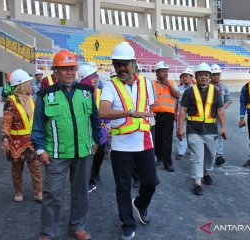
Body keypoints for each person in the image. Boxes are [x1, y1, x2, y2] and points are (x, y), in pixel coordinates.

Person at [32, 49, 101, 240]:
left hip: (83, 153)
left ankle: (77, 226)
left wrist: (97, 140)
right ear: (55, 71)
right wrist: (39, 149)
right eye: (65, 69)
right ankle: (48, 231)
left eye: (72, 68)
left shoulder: (87, 92)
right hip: (55, 154)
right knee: (52, 194)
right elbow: (37, 125)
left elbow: (95, 120)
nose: (70, 72)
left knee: (81, 193)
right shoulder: (45, 95)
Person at [99, 42, 158, 240]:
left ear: (134, 63)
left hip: (144, 142)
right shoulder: (110, 85)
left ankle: (141, 204)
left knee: (151, 182)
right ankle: (127, 223)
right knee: (123, 187)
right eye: (118, 65)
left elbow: (152, 106)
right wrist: (130, 112)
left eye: (125, 64)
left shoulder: (147, 83)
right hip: (121, 146)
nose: (122, 69)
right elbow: (103, 111)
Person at [177, 62, 227, 195]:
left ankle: (207, 172)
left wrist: (223, 127)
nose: (203, 77)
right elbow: (182, 111)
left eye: (206, 75)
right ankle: (197, 182)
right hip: (194, 130)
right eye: (201, 75)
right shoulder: (189, 92)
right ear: (196, 77)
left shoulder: (215, 92)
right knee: (196, 156)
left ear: (210, 77)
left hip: (211, 129)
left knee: (211, 155)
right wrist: (180, 128)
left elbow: (221, 110)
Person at [1, 69, 42, 202]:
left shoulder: (31, 100)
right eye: (29, 84)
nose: (32, 86)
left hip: (31, 141)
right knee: (17, 170)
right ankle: (18, 192)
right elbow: (6, 122)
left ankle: (38, 193)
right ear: (22, 86)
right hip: (16, 143)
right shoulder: (10, 102)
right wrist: (5, 139)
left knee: (36, 169)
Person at [77, 62, 110, 192]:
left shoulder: (101, 92)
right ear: (85, 79)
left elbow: (105, 108)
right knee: (88, 157)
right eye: (93, 75)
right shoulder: (77, 94)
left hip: (100, 130)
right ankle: (89, 180)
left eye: (97, 75)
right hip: (85, 131)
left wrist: (108, 125)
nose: (96, 77)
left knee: (100, 155)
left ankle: (96, 172)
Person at [152, 61, 180, 172]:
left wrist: (168, 84)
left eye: (166, 71)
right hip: (155, 115)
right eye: (162, 71)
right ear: (157, 73)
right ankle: (159, 157)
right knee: (157, 138)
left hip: (168, 115)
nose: (165, 73)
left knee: (167, 139)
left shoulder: (172, 83)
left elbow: (177, 95)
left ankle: (167, 162)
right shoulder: (152, 84)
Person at [210, 64, 232, 166]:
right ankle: (209, 154)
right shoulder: (205, 86)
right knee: (207, 134)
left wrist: (223, 108)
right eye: (214, 74)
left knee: (219, 134)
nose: (216, 77)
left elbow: (229, 100)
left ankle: (219, 156)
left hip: (219, 116)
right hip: (206, 115)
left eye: (218, 74)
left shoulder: (224, 87)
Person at [175, 67, 194, 160]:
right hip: (180, 115)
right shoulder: (178, 89)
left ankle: (193, 150)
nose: (184, 78)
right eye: (183, 76)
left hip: (192, 116)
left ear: (191, 77)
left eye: (186, 76)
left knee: (192, 134)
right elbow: (175, 102)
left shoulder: (196, 89)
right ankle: (181, 152)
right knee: (180, 132)